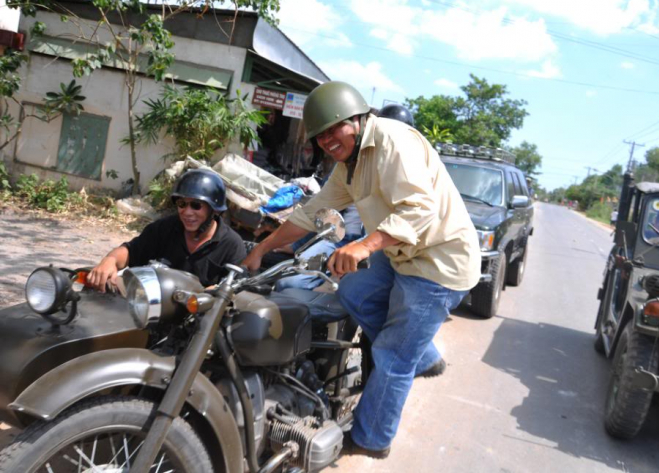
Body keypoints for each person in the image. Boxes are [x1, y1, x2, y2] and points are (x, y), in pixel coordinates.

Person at [242, 81, 480, 458]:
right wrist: (263, 247)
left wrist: (364, 245)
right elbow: (312, 210)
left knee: (391, 358)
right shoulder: (349, 164)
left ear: (357, 119)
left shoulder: (393, 143)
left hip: (438, 261)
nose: (327, 141)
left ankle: (372, 440)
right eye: (319, 136)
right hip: (402, 251)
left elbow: (420, 210)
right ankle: (426, 356)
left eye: (334, 129)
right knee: (351, 290)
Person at [88, 169, 246, 290]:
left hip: (201, 323)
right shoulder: (164, 228)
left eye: (196, 205)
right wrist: (110, 261)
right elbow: (131, 251)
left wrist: (215, 292)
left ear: (215, 210)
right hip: (154, 312)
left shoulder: (232, 245)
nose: (187, 212)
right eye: (182, 204)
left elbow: (236, 289)